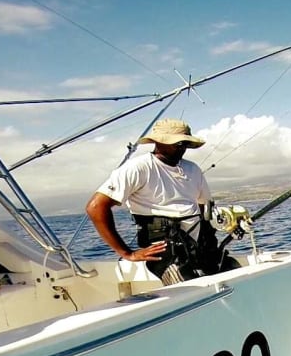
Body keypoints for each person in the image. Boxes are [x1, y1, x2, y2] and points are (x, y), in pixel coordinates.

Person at [85, 118, 235, 284]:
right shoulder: (138, 167)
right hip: (166, 254)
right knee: (193, 290)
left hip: (201, 248)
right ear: (159, 142)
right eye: (177, 143)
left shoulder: (193, 169)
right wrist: (127, 253)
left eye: (185, 143)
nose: (182, 148)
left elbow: (204, 206)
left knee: (237, 278)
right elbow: (96, 207)